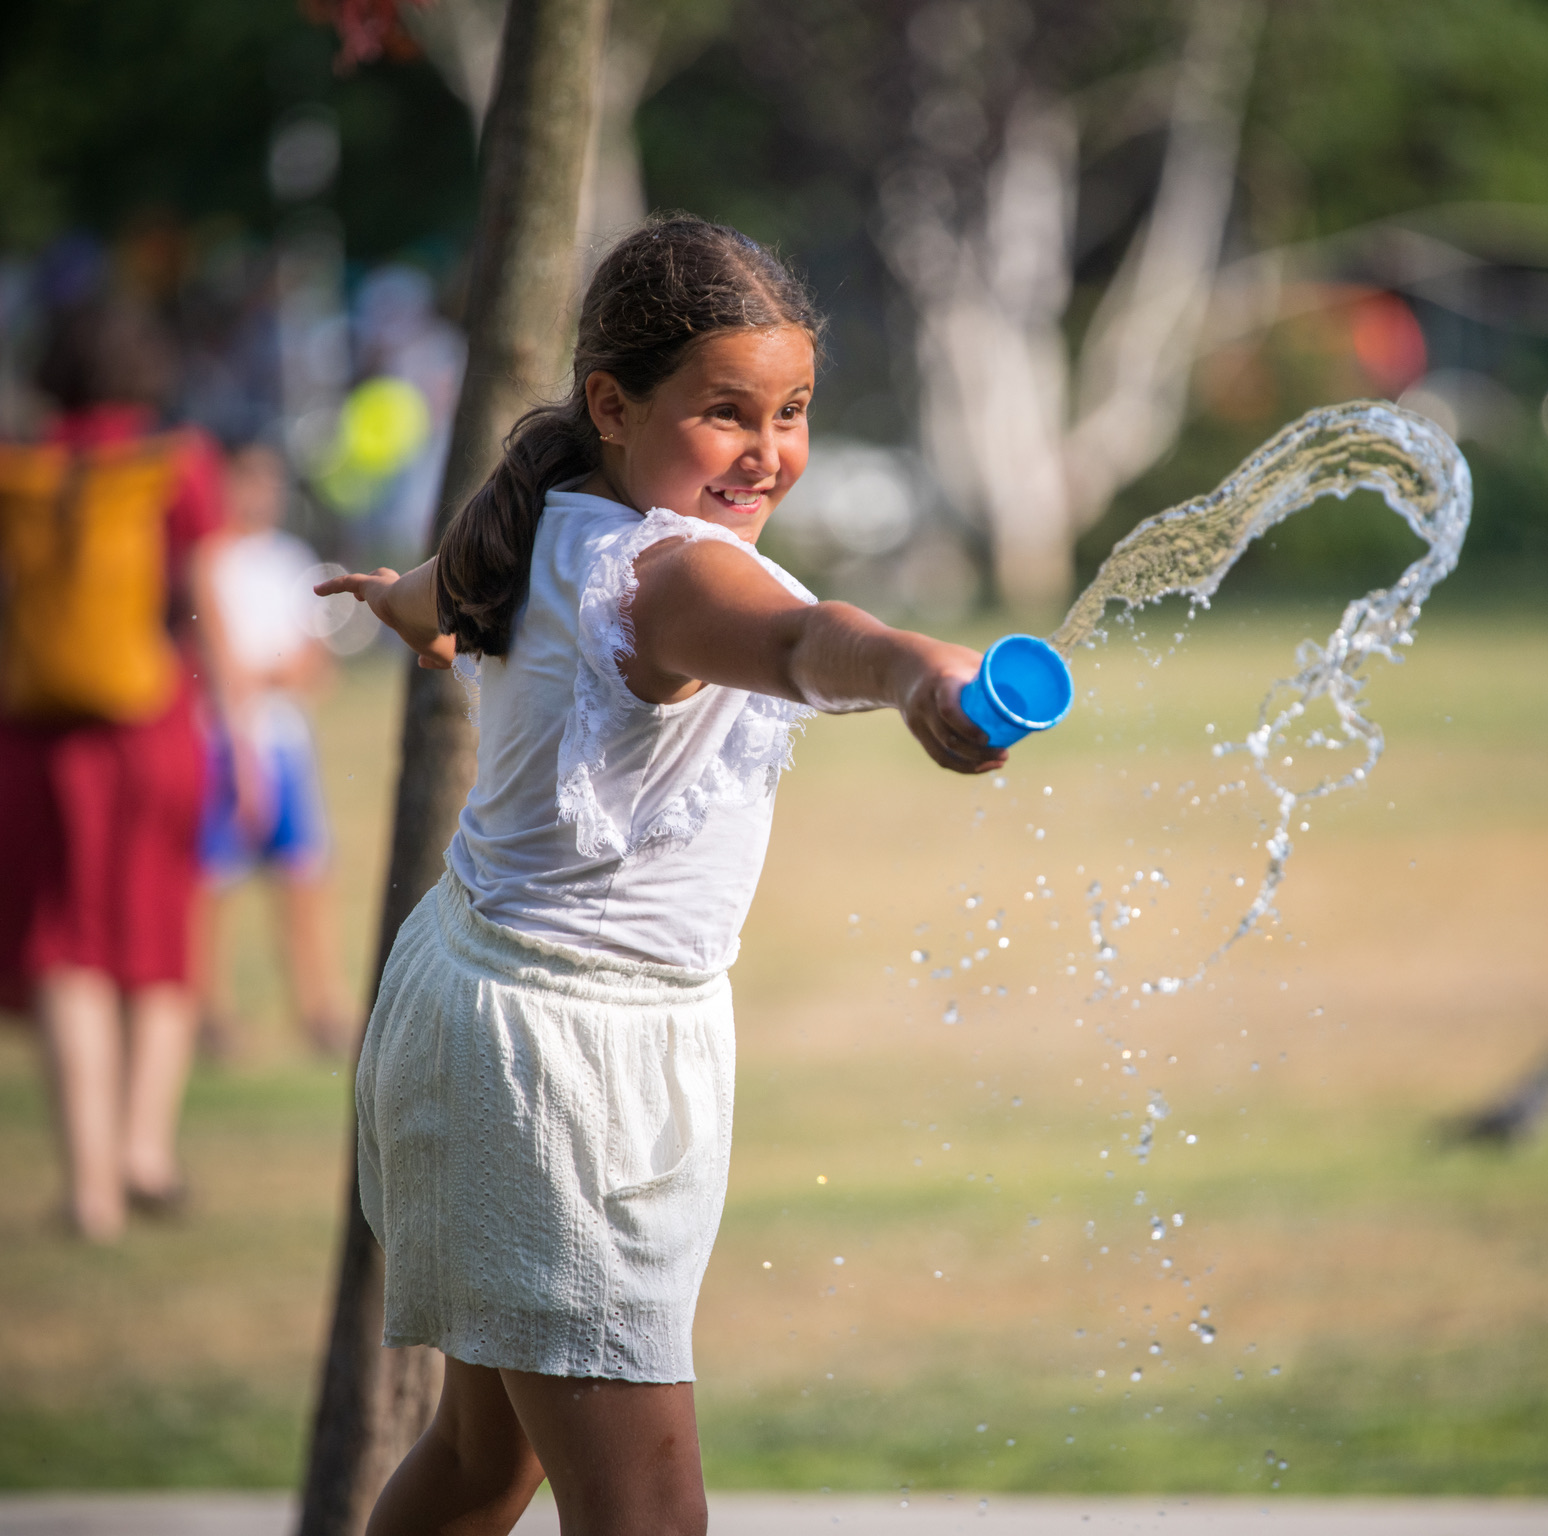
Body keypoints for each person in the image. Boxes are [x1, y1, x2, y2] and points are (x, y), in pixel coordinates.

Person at [319, 215, 1005, 1536]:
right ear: (613, 407)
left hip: (510, 1016)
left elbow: (446, 592)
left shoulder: (556, 516)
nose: (768, 453)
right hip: (553, 1066)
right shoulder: (662, 575)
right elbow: (809, 640)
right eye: (728, 414)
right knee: (648, 1517)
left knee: (481, 1462)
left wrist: (406, 601)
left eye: (793, 411)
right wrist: (920, 667)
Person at [0, 292, 232, 1240]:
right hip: (153, 729)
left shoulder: (17, 470)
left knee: (65, 948)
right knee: (157, 938)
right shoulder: (178, 467)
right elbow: (204, 610)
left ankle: (91, 1189)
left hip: (36, 738)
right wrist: (243, 736)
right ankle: (145, 1148)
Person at [192, 439, 352, 1058]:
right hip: (221, 743)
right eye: (247, 479)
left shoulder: (291, 560)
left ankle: (318, 1008)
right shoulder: (209, 560)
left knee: (305, 874)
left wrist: (271, 675)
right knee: (212, 881)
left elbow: (315, 666)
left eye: (268, 481)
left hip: (286, 744)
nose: (260, 493)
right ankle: (208, 1011)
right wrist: (258, 680)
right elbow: (221, 669)